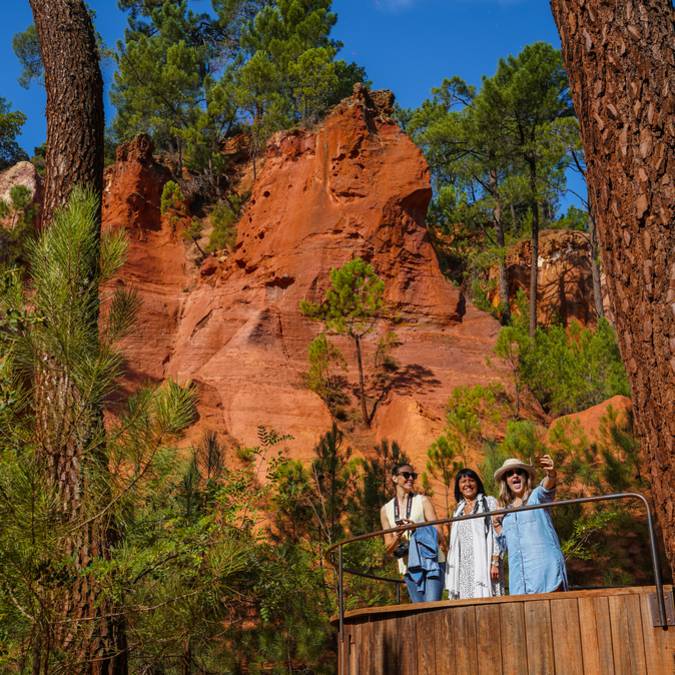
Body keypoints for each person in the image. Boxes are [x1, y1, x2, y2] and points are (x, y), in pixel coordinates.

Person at [492, 455, 568, 595]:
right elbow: (506, 544)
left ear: (525, 476)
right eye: (510, 473)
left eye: (518, 472)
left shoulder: (536, 497)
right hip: (519, 582)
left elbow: (547, 486)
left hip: (546, 576)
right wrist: (496, 523)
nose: (514, 475)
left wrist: (551, 474)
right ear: (506, 481)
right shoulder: (506, 512)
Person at [380, 463, 446, 602]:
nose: (410, 478)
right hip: (408, 565)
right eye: (406, 475)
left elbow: (439, 534)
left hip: (431, 562)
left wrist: (417, 528)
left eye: (413, 476)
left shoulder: (423, 501)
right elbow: (387, 547)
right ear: (394, 478)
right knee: (419, 613)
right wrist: (397, 536)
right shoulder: (386, 510)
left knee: (432, 607)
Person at [445, 468, 503, 599]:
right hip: (464, 566)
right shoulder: (458, 510)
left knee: (490, 600)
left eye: (471, 480)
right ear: (458, 487)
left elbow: (496, 533)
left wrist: (495, 562)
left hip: (487, 562)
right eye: (463, 481)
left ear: (477, 483)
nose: (467, 484)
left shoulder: (489, 502)